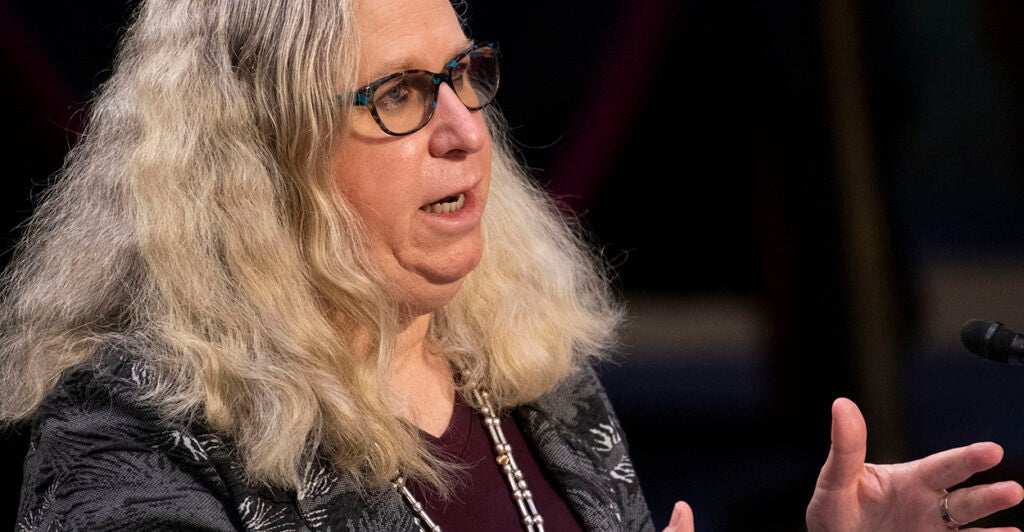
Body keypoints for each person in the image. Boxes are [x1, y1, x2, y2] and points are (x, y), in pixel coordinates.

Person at [0, 0, 1020, 530]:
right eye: (400, 94)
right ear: (258, 158)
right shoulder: (131, 428)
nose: (465, 131)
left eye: (464, 77)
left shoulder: (521, 370)